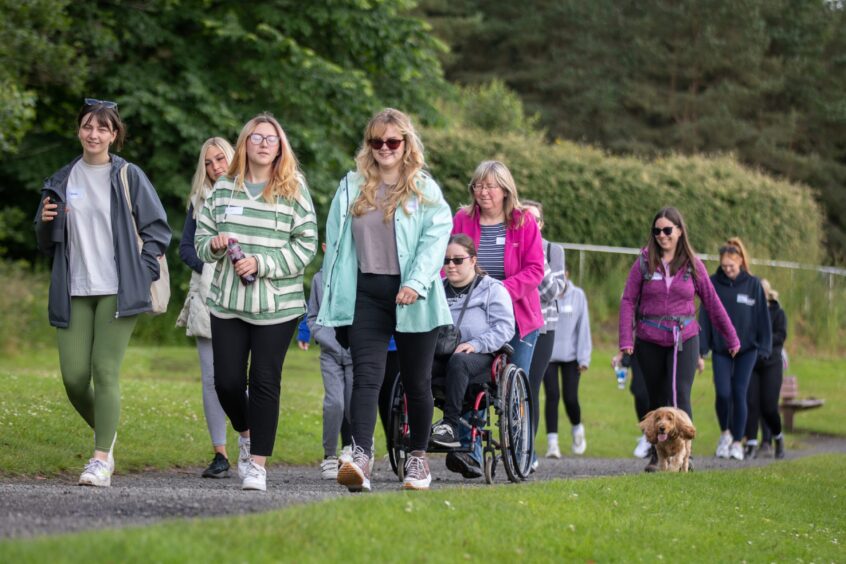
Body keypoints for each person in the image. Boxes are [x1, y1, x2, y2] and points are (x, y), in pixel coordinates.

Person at [34, 98, 171, 487]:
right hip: (75, 289)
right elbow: (46, 242)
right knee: (74, 378)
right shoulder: (61, 180)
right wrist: (44, 224)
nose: (94, 134)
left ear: (114, 135)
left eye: (103, 128)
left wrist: (140, 275)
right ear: (79, 130)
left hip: (117, 289)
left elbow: (157, 231)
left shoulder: (128, 175)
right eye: (88, 127)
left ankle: (99, 459)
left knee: (104, 370)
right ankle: (107, 438)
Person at [317, 108, 452, 492]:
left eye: (393, 141)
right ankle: (360, 456)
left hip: (414, 296)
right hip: (366, 294)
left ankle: (417, 459)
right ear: (369, 145)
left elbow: (434, 241)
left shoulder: (425, 190)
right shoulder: (351, 186)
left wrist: (416, 282)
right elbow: (337, 246)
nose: (385, 148)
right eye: (377, 141)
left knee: (416, 382)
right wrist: (334, 297)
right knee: (366, 378)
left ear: (406, 144)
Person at [195, 113, 317, 491]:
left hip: (277, 306)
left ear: (280, 147)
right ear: (244, 144)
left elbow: (307, 244)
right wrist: (213, 247)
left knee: (265, 380)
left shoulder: (293, 189)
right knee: (227, 382)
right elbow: (202, 238)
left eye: (271, 139)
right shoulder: (223, 189)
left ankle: (257, 465)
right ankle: (245, 432)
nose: (264, 144)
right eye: (256, 138)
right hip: (228, 302)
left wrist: (262, 263)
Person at [618, 207, 739, 472]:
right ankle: (656, 454)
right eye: (657, 231)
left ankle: (686, 455)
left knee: (680, 394)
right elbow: (628, 300)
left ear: (679, 231)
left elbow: (712, 302)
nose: (662, 235)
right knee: (656, 398)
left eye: (667, 230)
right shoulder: (643, 262)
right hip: (649, 339)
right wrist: (626, 338)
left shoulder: (693, 265)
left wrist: (731, 337)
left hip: (684, 338)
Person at [429, 235, 515, 478]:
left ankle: (451, 427)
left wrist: (476, 344)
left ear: (473, 260)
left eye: (458, 260)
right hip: (441, 354)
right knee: (415, 366)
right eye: (446, 261)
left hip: (480, 358)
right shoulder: (437, 290)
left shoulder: (492, 289)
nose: (451, 266)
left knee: (459, 361)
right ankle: (416, 430)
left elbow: (505, 328)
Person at [176, 137, 235, 479]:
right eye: (209, 163)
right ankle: (220, 452)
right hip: (206, 298)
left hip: (243, 296)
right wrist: (208, 266)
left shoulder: (248, 195)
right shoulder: (199, 202)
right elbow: (185, 248)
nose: (215, 168)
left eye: (220, 160)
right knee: (211, 379)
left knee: (239, 378)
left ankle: (251, 446)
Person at [451, 161, 544, 375]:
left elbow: (535, 269)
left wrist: (497, 292)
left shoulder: (524, 221)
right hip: (473, 316)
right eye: (478, 186)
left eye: (490, 186)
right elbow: (447, 261)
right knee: (470, 382)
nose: (483, 192)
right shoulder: (462, 220)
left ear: (504, 190)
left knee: (515, 382)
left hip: (518, 316)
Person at [700, 238, 771, 461]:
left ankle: (738, 442)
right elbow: (705, 316)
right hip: (721, 349)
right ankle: (725, 434)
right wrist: (702, 349)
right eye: (724, 266)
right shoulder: (712, 283)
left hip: (747, 350)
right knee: (723, 393)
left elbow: (762, 317)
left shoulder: (753, 284)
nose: (728, 270)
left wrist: (764, 346)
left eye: (732, 266)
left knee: (740, 393)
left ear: (740, 262)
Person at [299, 243, 354, 480]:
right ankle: (329, 456)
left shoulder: (358, 276)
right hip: (330, 352)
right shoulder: (319, 280)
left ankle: (352, 451)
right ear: (324, 248)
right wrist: (321, 335)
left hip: (355, 353)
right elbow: (312, 316)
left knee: (354, 405)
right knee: (335, 404)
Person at [522, 200, 567, 463]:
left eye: (534, 220)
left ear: (541, 224)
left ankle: (527, 451)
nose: (530, 224)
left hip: (543, 327)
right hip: (512, 326)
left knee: (530, 386)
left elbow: (553, 293)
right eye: (524, 219)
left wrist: (535, 254)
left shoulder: (552, 250)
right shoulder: (509, 245)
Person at [543, 273, 591, 457]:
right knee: (552, 396)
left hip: (571, 357)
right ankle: (552, 443)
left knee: (570, 398)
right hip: (549, 357)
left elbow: (583, 327)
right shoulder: (545, 294)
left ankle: (577, 428)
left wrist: (584, 358)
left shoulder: (578, 295)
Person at [744, 278, 787, 459]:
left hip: (771, 363)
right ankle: (751, 444)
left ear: (767, 292)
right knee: (751, 404)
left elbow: (781, 336)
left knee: (769, 407)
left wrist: (763, 340)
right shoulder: (748, 311)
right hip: (751, 363)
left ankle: (777, 436)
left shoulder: (777, 312)